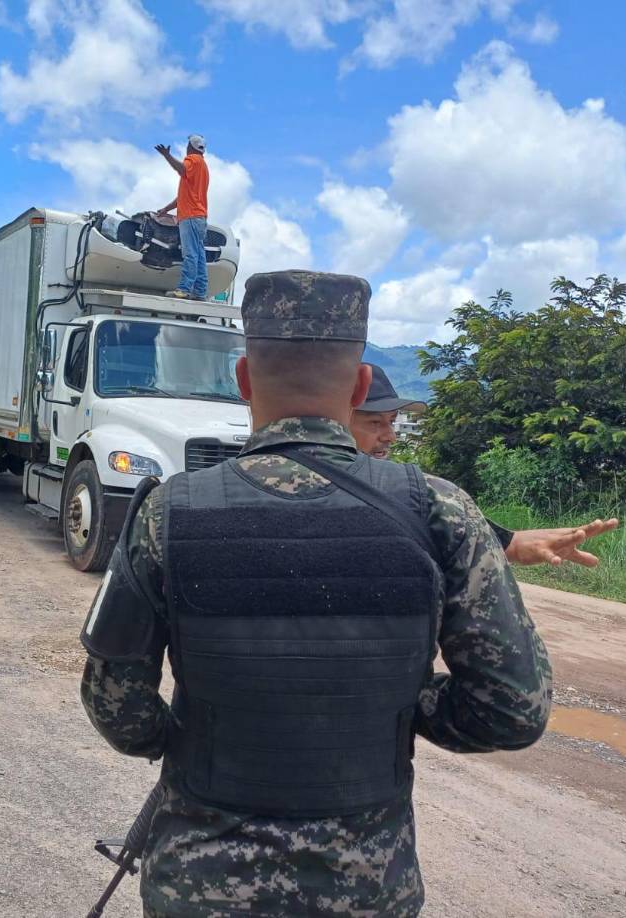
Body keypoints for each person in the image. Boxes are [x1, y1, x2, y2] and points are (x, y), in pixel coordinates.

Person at [81, 270, 552, 918]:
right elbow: (512, 711)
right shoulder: (440, 511)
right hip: (368, 892)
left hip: (199, 885)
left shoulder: (168, 513)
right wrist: (397, 702)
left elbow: (118, 707)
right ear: (360, 386)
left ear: (243, 380)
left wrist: (195, 736)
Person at [352, 364, 619, 567]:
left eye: (391, 421)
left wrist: (519, 544)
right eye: (375, 422)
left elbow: (478, 538)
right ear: (338, 418)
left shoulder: (410, 492)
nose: (390, 436)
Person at [155, 134, 209, 301]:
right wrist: (166, 209)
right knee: (199, 256)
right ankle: (200, 292)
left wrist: (167, 156)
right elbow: (183, 197)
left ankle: (184, 289)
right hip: (198, 217)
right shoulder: (203, 166)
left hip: (190, 217)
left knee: (190, 254)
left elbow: (181, 169)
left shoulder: (193, 160)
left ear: (190, 147)